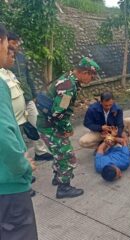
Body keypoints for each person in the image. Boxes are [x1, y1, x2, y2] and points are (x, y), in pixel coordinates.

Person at [37, 57, 100, 199]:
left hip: (47, 124)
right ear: (84, 72)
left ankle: (58, 177)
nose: (92, 79)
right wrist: (66, 128)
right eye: (92, 75)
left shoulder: (69, 79)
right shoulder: (69, 86)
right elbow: (58, 113)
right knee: (67, 156)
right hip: (51, 126)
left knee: (59, 152)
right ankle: (63, 188)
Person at [0, 23, 38, 240]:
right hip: (8, 189)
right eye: (8, 44)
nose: (11, 50)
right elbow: (3, 136)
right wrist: (24, 167)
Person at [8, 32, 53, 161]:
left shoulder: (22, 57)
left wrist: (34, 95)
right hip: (14, 100)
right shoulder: (4, 59)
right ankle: (24, 162)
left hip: (28, 98)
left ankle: (41, 152)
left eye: (17, 43)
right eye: (13, 43)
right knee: (19, 132)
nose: (16, 46)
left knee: (37, 123)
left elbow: (29, 77)